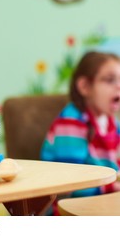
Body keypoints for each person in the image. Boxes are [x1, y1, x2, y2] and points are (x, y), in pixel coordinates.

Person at [41, 51, 120, 200]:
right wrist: (112, 187)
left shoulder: (112, 122)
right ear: (85, 87)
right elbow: (72, 183)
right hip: (69, 207)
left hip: (104, 199)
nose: (119, 86)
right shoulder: (71, 123)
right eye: (110, 80)